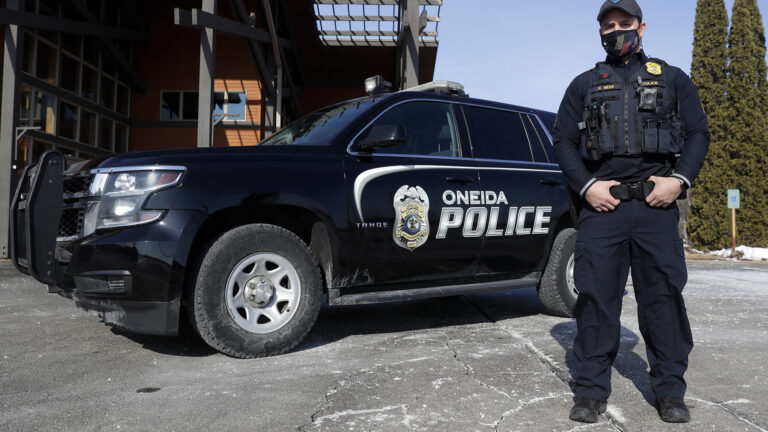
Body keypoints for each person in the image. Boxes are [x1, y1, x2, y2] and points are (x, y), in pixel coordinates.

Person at [552, 0, 710, 424]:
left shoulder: (673, 79)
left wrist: (679, 180)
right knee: (596, 301)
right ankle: (589, 391)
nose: (616, 30)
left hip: (656, 207)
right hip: (602, 209)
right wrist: (587, 186)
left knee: (662, 299)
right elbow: (563, 142)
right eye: (608, 25)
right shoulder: (583, 85)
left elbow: (698, 133)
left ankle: (670, 391)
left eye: (624, 23)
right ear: (599, 31)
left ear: (642, 27)